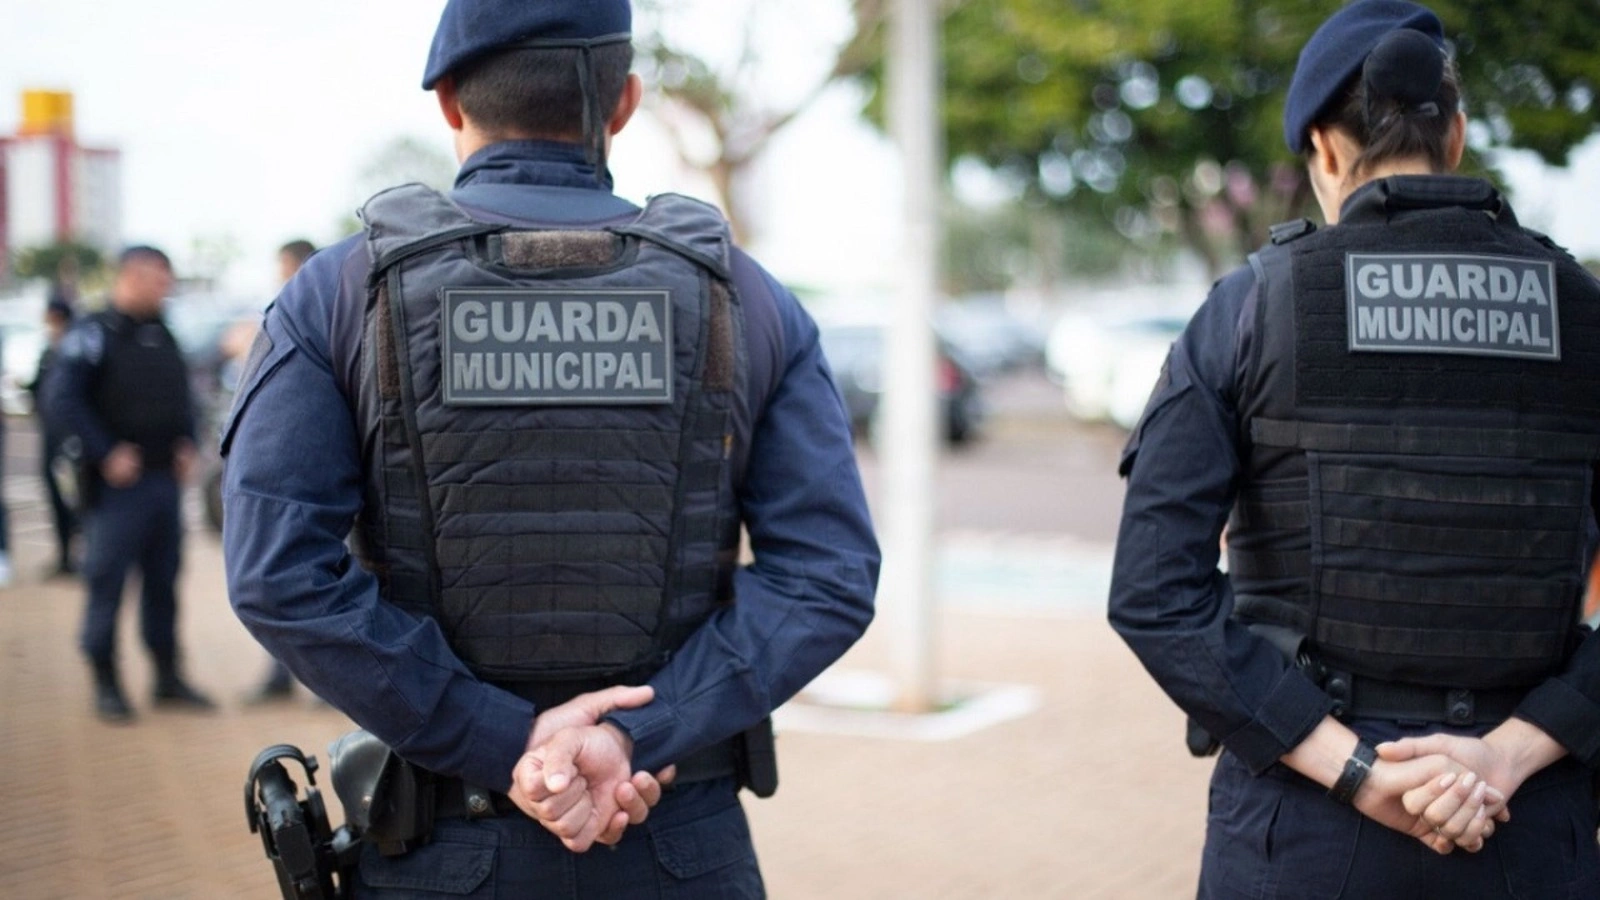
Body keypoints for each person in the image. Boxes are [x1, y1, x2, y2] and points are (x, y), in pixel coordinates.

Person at [220, 1, 879, 896]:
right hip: (675, 840)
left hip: (437, 854)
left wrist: (503, 739)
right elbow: (826, 575)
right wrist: (630, 737)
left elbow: (277, 572)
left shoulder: (337, 294)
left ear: (450, 101)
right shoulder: (746, 297)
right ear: (624, 103)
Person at [1107, 2, 1600, 897]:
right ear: (1455, 135)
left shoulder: (1251, 308)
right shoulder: (1585, 311)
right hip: (1530, 828)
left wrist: (1357, 770)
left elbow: (1152, 592)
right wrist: (1504, 757)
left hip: (1304, 833)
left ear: (1326, 154)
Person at [49, 246, 216, 723]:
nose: (165, 289)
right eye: (157, 280)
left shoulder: (162, 332)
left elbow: (182, 394)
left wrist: (187, 440)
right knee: (107, 584)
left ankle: (167, 677)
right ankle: (105, 680)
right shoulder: (93, 333)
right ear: (131, 277)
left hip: (165, 482)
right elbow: (63, 402)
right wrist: (106, 453)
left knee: (163, 584)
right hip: (118, 488)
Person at [242, 239, 318, 705]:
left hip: (318, 479)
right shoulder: (288, 316)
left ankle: (323, 684)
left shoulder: (320, 313)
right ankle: (279, 676)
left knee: (309, 577)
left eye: (285, 269)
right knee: (279, 579)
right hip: (288, 479)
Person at [29, 298, 80, 577]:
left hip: (70, 442)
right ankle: (64, 557)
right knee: (56, 497)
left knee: (74, 500)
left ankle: (78, 556)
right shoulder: (51, 349)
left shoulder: (76, 349)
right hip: (51, 437)